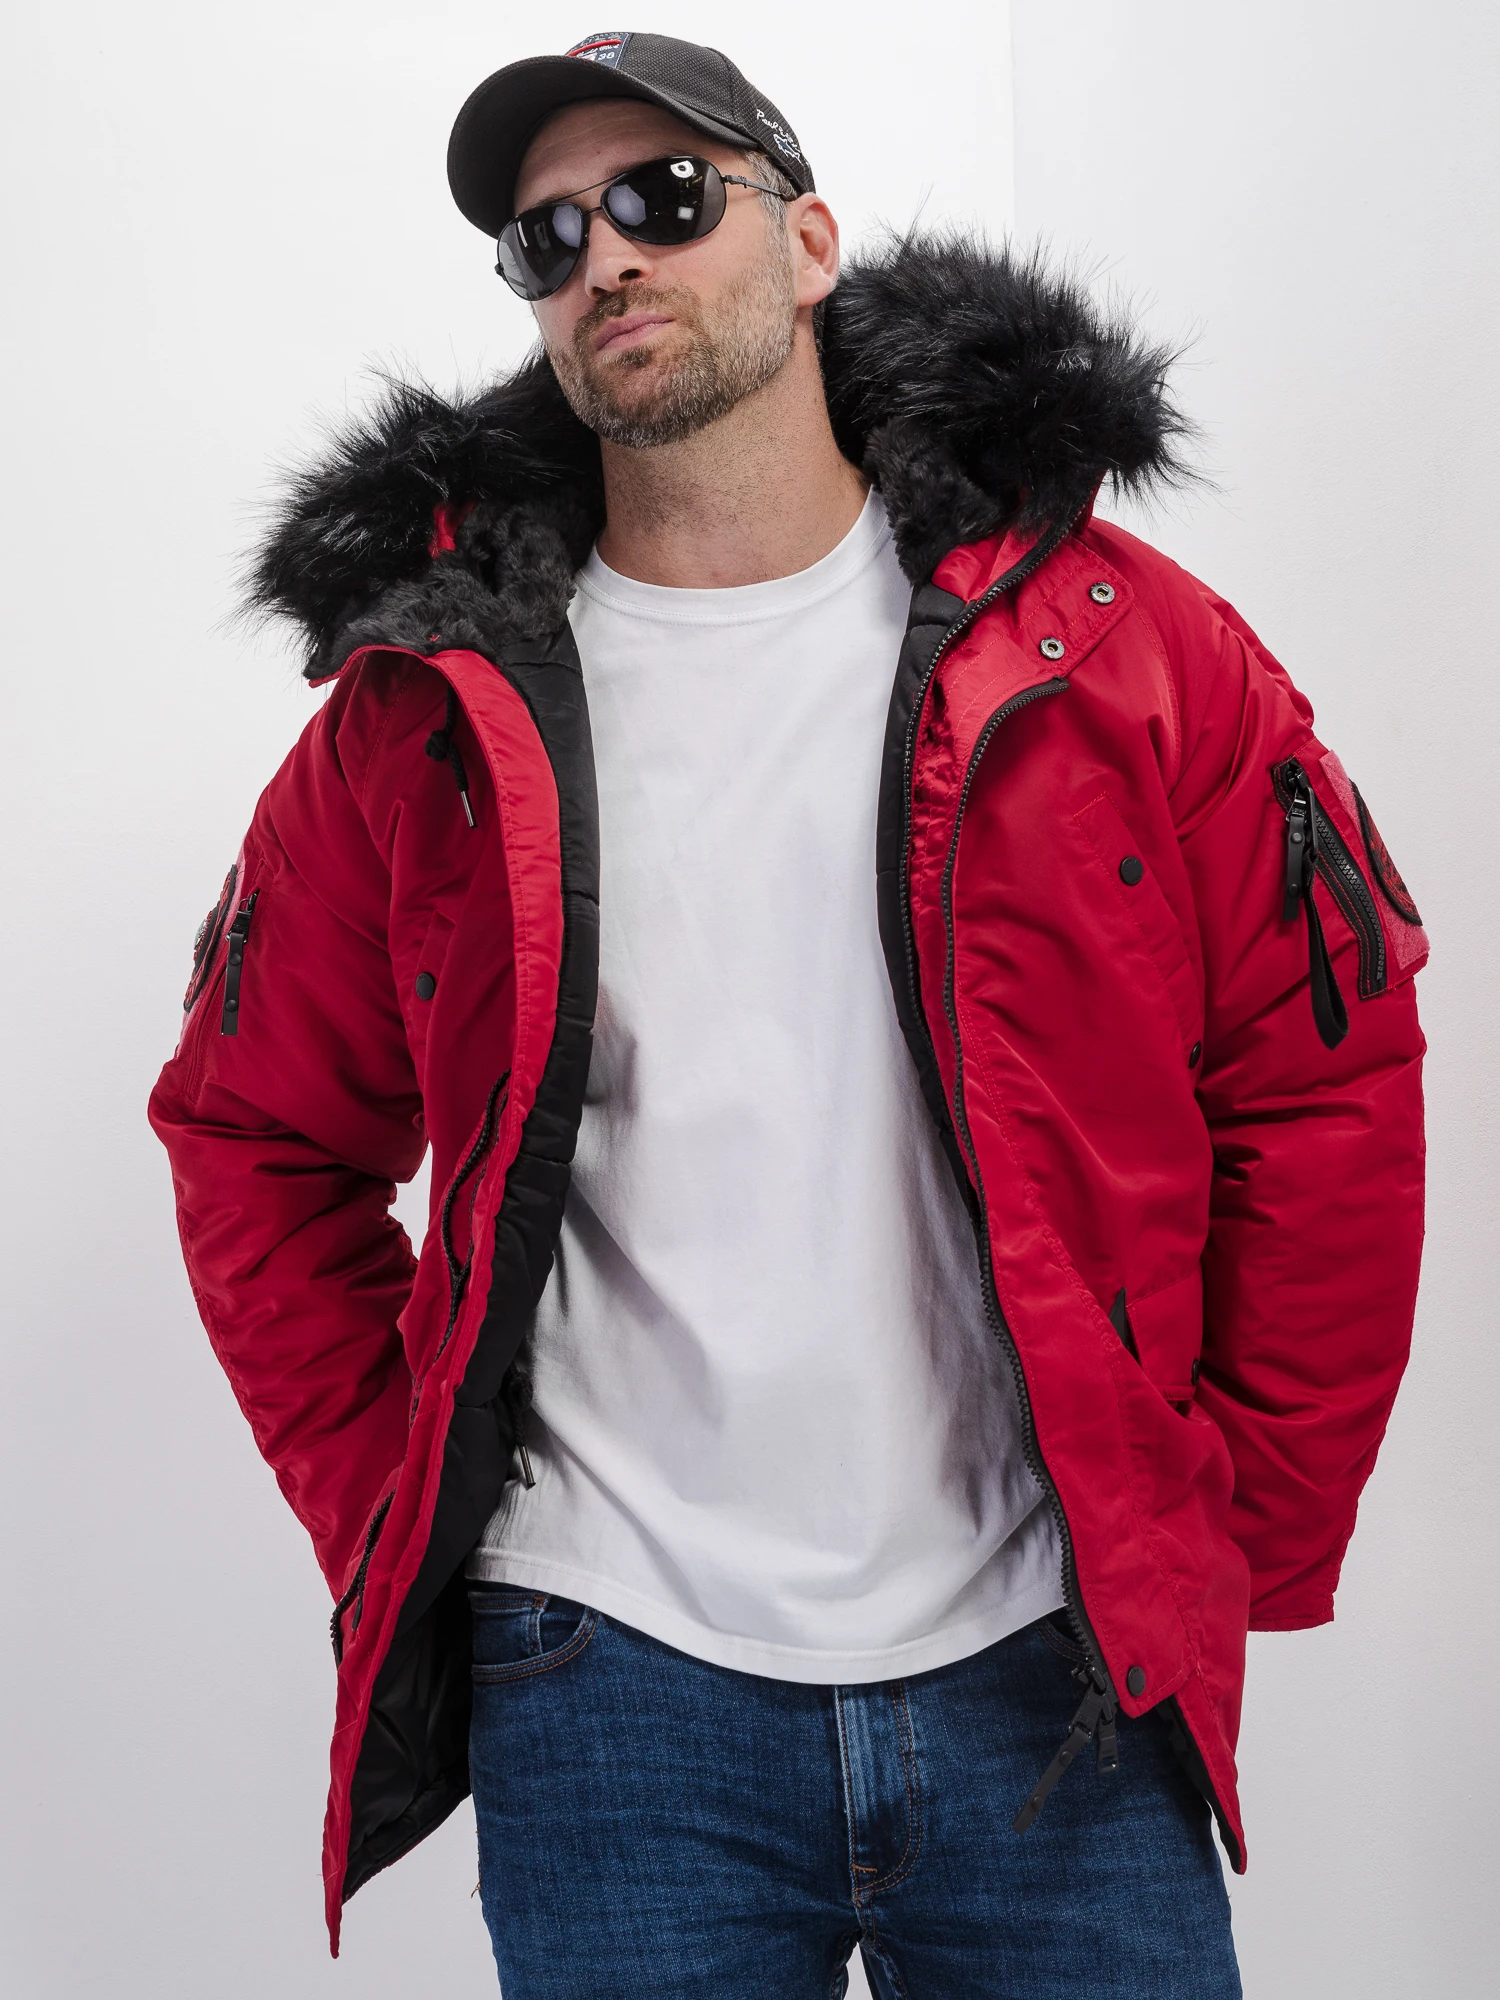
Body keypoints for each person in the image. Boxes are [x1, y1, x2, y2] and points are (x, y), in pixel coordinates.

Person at [148, 30, 1428, 1999]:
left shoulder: (1116, 650)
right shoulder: (427, 720)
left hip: (1055, 1658)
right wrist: (403, 1500)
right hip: (608, 1672)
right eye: (546, 237)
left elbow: (1319, 1077)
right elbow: (253, 1135)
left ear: (810, 241)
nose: (605, 258)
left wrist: (1222, 1517)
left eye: (663, 199)